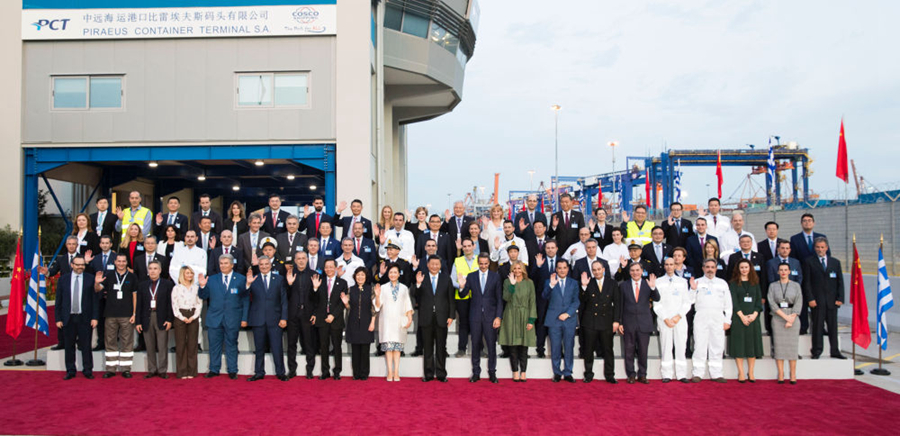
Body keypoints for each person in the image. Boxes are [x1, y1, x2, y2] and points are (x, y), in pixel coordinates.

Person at [198, 254, 249, 379]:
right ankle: (214, 369)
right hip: (214, 318)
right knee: (214, 345)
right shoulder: (211, 279)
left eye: (226, 263)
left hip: (233, 318)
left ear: (232, 265)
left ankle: (233, 370)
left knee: (232, 344)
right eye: (221, 263)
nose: (223, 265)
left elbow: (245, 300)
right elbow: (203, 296)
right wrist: (202, 286)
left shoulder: (241, 279)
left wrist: (244, 318)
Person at [56, 256, 100, 380]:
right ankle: (70, 370)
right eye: (77, 264)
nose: (80, 267)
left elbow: (95, 300)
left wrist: (95, 317)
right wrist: (58, 319)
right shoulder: (63, 279)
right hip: (68, 318)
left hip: (85, 318)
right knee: (69, 346)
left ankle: (88, 370)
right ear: (72, 265)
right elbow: (58, 300)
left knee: (86, 346)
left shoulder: (90, 279)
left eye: (82, 265)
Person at [460, 253, 503, 383]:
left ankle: (492, 373)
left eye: (485, 263)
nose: (483, 266)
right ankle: (476, 373)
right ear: (478, 263)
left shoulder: (495, 277)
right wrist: (462, 286)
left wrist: (498, 317)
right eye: (481, 263)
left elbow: (499, 299)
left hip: (491, 316)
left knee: (491, 346)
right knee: (475, 345)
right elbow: (463, 295)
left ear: (489, 263)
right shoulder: (471, 276)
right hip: (475, 316)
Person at [245, 256, 289, 381]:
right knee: (259, 348)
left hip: (275, 319)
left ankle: (280, 372)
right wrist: (248, 284)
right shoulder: (253, 279)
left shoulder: (279, 279)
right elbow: (244, 297)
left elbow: (284, 300)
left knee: (277, 347)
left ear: (270, 265)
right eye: (261, 264)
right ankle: (259, 372)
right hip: (258, 318)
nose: (264, 266)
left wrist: (284, 317)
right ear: (258, 266)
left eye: (266, 264)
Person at [802, 237, 846, 359]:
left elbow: (840, 282)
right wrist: (810, 298)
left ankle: (835, 351)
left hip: (832, 301)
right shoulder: (809, 262)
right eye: (818, 247)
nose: (820, 249)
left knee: (833, 327)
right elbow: (807, 282)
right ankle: (816, 351)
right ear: (814, 248)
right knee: (817, 327)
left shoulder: (835, 262)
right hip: (817, 301)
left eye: (822, 247)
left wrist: (840, 298)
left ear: (827, 248)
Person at [578, 260, 620, 383]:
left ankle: (610, 375)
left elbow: (617, 303)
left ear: (603, 270)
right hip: (590, 321)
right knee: (588, 349)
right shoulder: (588, 282)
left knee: (608, 349)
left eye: (599, 269)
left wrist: (616, 320)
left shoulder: (612, 283)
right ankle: (588, 374)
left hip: (607, 321)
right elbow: (582, 301)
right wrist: (584, 287)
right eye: (594, 270)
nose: (596, 272)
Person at [415, 256, 456, 382]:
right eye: (432, 264)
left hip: (442, 317)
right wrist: (418, 284)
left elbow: (451, 299)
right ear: (427, 265)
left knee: (441, 347)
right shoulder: (422, 277)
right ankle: (428, 374)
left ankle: (441, 373)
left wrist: (451, 316)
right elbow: (416, 297)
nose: (434, 266)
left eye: (437, 264)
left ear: (440, 265)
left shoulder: (446, 278)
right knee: (427, 347)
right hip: (426, 317)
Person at [691, 259, 733, 383]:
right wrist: (692, 290)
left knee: (717, 345)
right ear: (703, 268)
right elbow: (690, 301)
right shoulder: (697, 282)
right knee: (699, 345)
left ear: (716, 268)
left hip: (718, 317)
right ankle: (697, 373)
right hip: (701, 316)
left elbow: (728, 304)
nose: (710, 269)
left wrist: (727, 320)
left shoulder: (722, 283)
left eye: (712, 267)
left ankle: (716, 373)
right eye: (707, 267)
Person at [619, 263, 660, 384]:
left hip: (644, 323)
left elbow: (657, 298)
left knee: (643, 351)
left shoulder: (648, 284)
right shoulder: (623, 286)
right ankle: (631, 374)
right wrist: (620, 322)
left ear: (642, 271)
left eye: (637, 270)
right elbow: (620, 305)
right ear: (629, 272)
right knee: (629, 350)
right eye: (632, 270)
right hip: (628, 322)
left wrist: (653, 288)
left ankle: (642, 374)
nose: (635, 272)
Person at [97, 254, 137, 378]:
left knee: (127, 342)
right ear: (115, 262)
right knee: (110, 341)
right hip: (110, 314)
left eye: (123, 261)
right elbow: (98, 289)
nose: (121, 263)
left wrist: (134, 313)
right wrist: (97, 283)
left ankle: (126, 369)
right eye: (119, 261)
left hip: (127, 315)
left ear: (126, 262)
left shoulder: (132, 276)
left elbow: (135, 296)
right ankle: (111, 369)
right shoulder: (109, 275)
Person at [655, 258, 693, 383]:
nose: (669, 267)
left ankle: (681, 374)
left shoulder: (683, 282)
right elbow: (657, 304)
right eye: (667, 264)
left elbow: (686, 302)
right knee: (666, 346)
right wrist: (665, 318)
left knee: (681, 347)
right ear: (664, 266)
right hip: (664, 320)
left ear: (675, 266)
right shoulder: (658, 282)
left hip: (679, 320)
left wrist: (678, 316)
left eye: (671, 264)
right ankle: (666, 374)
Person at [374, 264, 413, 382]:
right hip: (386, 321)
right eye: (391, 272)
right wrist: (377, 296)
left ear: (399, 274)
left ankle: (396, 372)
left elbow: (407, 304)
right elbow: (377, 306)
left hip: (399, 321)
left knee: (397, 348)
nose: (393, 274)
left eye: (395, 272)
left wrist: (410, 318)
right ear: (388, 274)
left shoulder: (404, 288)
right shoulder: (383, 287)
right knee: (388, 348)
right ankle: (389, 373)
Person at [135, 260, 173, 379]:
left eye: (155, 268)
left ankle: (162, 370)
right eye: (150, 268)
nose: (153, 271)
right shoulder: (142, 285)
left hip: (161, 317)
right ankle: (151, 369)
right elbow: (139, 305)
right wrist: (138, 321)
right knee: (149, 345)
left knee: (162, 346)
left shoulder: (167, 284)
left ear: (160, 270)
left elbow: (170, 304)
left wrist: (169, 319)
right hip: (146, 317)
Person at [790, 213, 828, 334]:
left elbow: (827, 256)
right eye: (805, 221)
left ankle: (820, 327)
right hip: (803, 275)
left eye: (810, 220)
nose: (807, 223)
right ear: (801, 223)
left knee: (819, 303)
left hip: (818, 276)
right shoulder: (795, 239)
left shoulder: (821, 237)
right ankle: (803, 327)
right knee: (803, 302)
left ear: (814, 223)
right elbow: (793, 258)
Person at [499, 261, 536, 382]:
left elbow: (532, 301)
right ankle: (515, 371)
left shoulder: (529, 283)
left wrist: (531, 320)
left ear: (523, 270)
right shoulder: (507, 282)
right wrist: (512, 285)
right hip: (511, 314)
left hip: (525, 315)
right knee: (513, 345)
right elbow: (506, 298)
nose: (517, 271)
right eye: (515, 268)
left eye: (519, 268)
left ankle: (523, 372)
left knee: (524, 346)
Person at [543, 258, 579, 383]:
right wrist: (551, 286)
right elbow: (544, 296)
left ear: (568, 269)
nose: (562, 270)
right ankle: (557, 372)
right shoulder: (549, 281)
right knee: (555, 347)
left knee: (569, 346)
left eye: (564, 268)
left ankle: (568, 372)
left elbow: (576, 301)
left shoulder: (574, 283)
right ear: (556, 269)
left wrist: (568, 314)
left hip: (569, 320)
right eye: (560, 268)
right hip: (554, 320)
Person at [728, 258, 764, 382]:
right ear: (738, 269)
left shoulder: (755, 283)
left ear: (750, 269)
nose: (744, 270)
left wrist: (754, 315)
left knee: (751, 345)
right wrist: (742, 316)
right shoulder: (733, 284)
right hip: (738, 318)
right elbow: (733, 302)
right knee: (739, 345)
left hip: (753, 318)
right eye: (742, 267)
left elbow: (758, 301)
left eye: (746, 267)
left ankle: (751, 372)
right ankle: (741, 373)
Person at [285, 252, 318, 379]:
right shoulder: (289, 274)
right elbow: (285, 296)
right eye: (298, 258)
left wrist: (315, 289)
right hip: (293, 314)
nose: (301, 261)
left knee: (309, 344)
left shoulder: (314, 275)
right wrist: (289, 284)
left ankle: (310, 370)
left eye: (303, 258)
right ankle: (292, 370)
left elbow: (318, 298)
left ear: (307, 259)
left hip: (307, 315)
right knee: (291, 344)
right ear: (295, 260)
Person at [313, 259, 348, 379]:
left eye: (331, 267)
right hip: (322, 319)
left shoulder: (342, 283)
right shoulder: (319, 281)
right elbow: (314, 301)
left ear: (336, 268)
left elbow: (343, 303)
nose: (328, 269)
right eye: (326, 267)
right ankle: (325, 371)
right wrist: (315, 289)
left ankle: (337, 371)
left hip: (336, 319)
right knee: (323, 347)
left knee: (337, 346)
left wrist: (333, 315)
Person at [769, 263, 803, 384]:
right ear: (778, 272)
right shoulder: (773, 286)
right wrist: (785, 317)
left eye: (785, 270)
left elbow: (799, 302)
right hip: (778, 317)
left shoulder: (796, 286)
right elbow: (771, 303)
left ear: (789, 271)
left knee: (792, 347)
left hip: (793, 317)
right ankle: (781, 374)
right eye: (781, 270)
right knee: (779, 346)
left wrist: (791, 318)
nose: (783, 272)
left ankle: (793, 374)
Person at [85, 234, 116, 350]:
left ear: (111, 244)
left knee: (113, 320)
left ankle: (113, 343)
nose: (105, 245)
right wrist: (87, 263)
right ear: (100, 244)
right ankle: (101, 342)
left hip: (113, 294)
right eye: (103, 243)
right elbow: (89, 275)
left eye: (107, 243)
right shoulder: (95, 258)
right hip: (98, 294)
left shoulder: (116, 257)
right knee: (100, 319)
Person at [171, 266, 202, 379]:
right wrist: (182, 317)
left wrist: (193, 317)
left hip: (193, 315)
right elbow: (174, 305)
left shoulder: (196, 288)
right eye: (187, 273)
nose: (190, 275)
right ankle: (182, 372)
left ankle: (192, 371)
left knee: (192, 344)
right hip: (180, 316)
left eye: (191, 273)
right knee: (180, 345)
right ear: (182, 274)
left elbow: (199, 303)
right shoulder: (176, 288)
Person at [345, 267, 376, 380]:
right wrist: (345, 303)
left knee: (365, 350)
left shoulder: (370, 289)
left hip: (367, 322)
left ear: (366, 276)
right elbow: (349, 307)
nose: (360, 277)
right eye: (358, 275)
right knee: (355, 350)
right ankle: (356, 373)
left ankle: (364, 373)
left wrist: (372, 322)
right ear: (355, 277)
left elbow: (374, 307)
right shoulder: (350, 289)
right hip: (353, 321)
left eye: (362, 275)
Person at [450, 238, 479, 357]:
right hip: (461, 297)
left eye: (469, 246)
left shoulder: (480, 260)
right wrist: (461, 286)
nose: (467, 248)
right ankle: (462, 349)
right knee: (463, 323)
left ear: (473, 246)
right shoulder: (457, 261)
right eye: (464, 246)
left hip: (477, 297)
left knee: (477, 323)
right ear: (462, 248)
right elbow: (452, 279)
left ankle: (479, 349)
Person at [530, 240, 559, 358]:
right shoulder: (539, 261)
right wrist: (538, 266)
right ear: (545, 249)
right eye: (548, 248)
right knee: (541, 323)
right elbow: (532, 278)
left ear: (556, 249)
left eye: (552, 247)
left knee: (557, 324)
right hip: (541, 297)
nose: (550, 250)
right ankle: (540, 349)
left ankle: (558, 350)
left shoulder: (562, 262)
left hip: (557, 298)